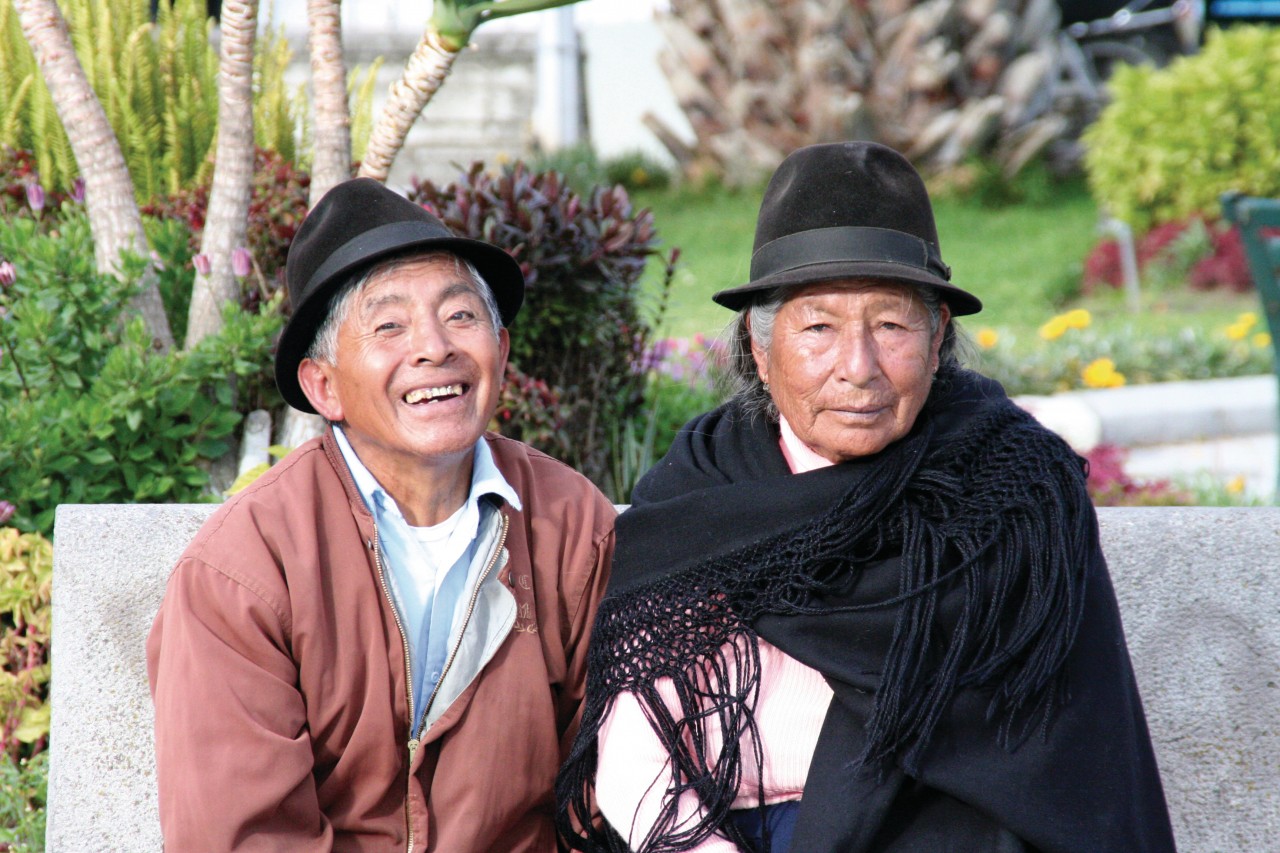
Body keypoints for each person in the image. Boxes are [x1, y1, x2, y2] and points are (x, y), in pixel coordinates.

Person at [556, 142, 1175, 852]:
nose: (858, 368)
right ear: (760, 349)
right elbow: (636, 756)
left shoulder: (1014, 492)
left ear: (938, 336)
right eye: (818, 327)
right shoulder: (699, 494)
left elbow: (1050, 767)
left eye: (891, 325)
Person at [148, 177, 616, 851]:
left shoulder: (572, 524)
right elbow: (244, 834)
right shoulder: (244, 568)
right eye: (389, 325)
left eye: (460, 316)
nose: (434, 347)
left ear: (501, 353)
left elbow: (608, 785)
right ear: (324, 386)